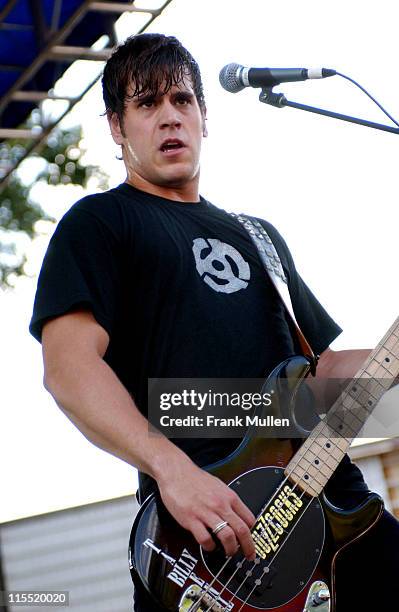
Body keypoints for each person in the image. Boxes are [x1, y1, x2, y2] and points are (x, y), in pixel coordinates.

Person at [30, 33, 398, 611]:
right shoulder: (99, 224)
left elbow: (319, 375)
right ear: (116, 127)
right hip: (206, 543)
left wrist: (392, 356)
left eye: (182, 101)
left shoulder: (260, 238)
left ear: (206, 118)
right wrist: (172, 470)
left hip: (331, 505)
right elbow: (68, 368)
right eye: (147, 104)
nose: (169, 117)